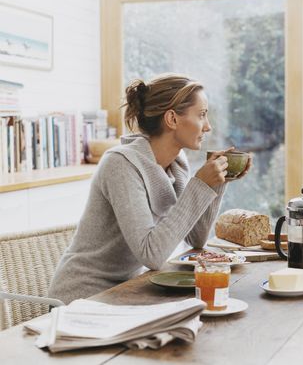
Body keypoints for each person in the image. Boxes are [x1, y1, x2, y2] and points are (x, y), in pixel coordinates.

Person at [49, 73, 251, 303]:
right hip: (83, 297)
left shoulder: (176, 164)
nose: (208, 126)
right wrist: (201, 184)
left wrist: (216, 183)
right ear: (172, 119)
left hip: (127, 290)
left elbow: (196, 239)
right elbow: (152, 254)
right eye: (202, 115)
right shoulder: (121, 164)